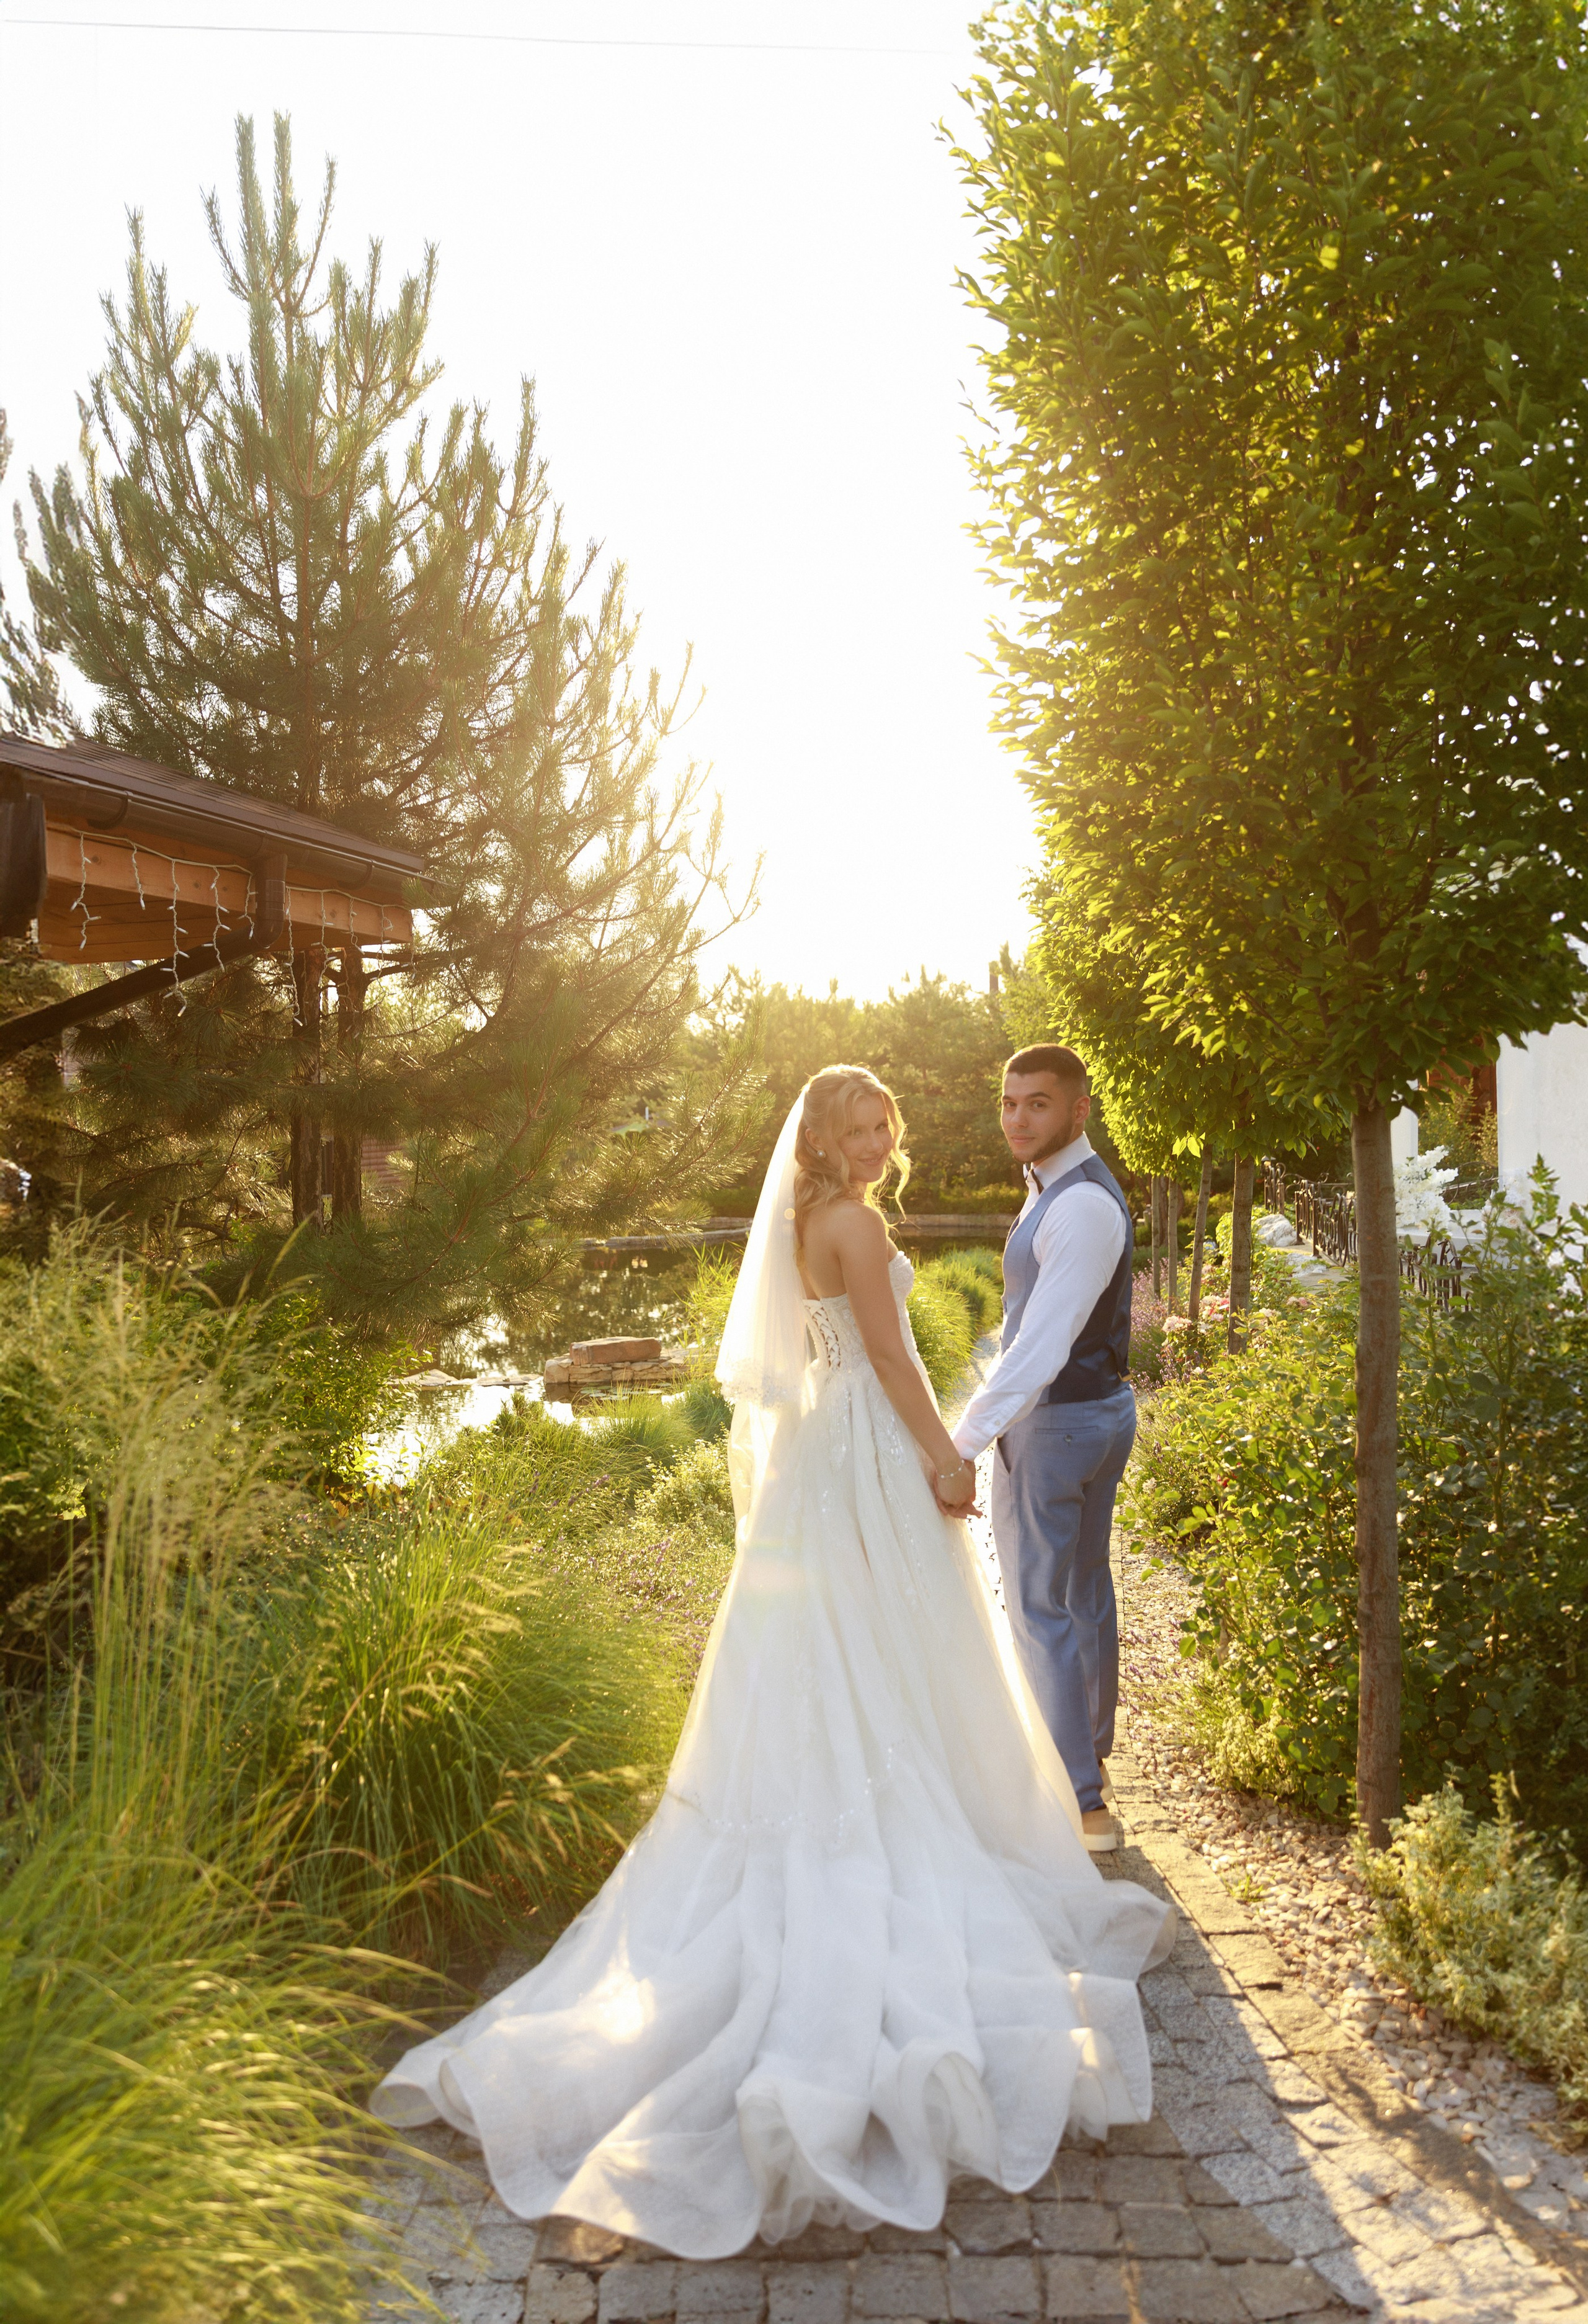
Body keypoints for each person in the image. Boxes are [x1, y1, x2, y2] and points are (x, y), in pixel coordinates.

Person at [370, 1065, 1173, 2259]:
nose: (872, 1142)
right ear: (821, 1137)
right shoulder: (850, 1222)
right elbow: (897, 1364)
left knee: (842, 1646)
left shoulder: (809, 1222)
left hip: (819, 1454)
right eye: (854, 1127)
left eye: (880, 1124)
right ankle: (908, 1823)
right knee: (890, 1639)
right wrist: (946, 1459)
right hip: (862, 1447)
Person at [950, 1045, 1136, 1855]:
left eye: (1038, 1104)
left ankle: (1081, 1801)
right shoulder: (1057, 1192)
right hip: (1095, 1414)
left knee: (1041, 1606)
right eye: (1010, 1102)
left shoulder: (1079, 1206)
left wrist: (961, 1441)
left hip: (1059, 1423)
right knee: (1084, 1588)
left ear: (1078, 1109)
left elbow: (1038, 1347)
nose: (1018, 1118)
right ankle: (1087, 1754)